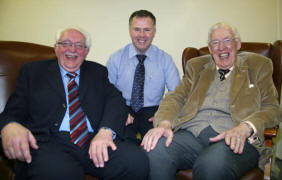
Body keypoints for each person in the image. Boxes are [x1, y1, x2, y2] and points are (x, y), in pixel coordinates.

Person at [0, 27, 149, 180]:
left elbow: (116, 99)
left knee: (135, 161)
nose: (72, 49)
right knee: (63, 173)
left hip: (94, 139)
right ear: (56, 48)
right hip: (50, 143)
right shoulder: (33, 72)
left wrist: (106, 131)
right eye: (66, 43)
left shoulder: (97, 72)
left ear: (86, 52)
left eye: (79, 45)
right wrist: (9, 125)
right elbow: (11, 112)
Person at [141, 22, 281, 180]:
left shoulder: (258, 65)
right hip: (191, 135)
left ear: (238, 43)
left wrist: (246, 126)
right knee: (154, 150)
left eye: (227, 40)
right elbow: (176, 97)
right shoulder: (196, 66)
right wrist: (165, 124)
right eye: (215, 43)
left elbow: (272, 109)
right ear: (209, 49)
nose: (221, 48)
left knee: (210, 165)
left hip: (235, 137)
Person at [106, 10, 180, 143]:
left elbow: (177, 93)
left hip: (154, 112)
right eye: (137, 29)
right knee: (123, 147)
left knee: (159, 146)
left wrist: (165, 115)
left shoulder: (165, 59)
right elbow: (107, 92)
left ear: (154, 31)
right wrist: (118, 112)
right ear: (130, 31)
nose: (141, 35)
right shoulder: (116, 59)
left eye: (147, 30)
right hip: (124, 109)